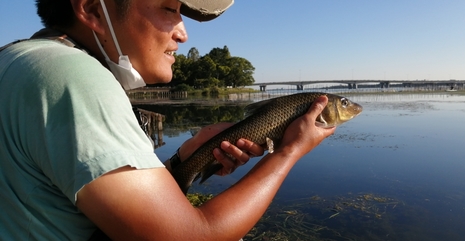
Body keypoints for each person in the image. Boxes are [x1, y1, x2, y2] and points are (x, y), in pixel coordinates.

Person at [0, 0, 336, 240]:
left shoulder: (22, 60)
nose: (183, 34)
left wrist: (184, 158)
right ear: (91, 9)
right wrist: (288, 152)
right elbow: (193, 236)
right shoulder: (73, 77)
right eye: (169, 9)